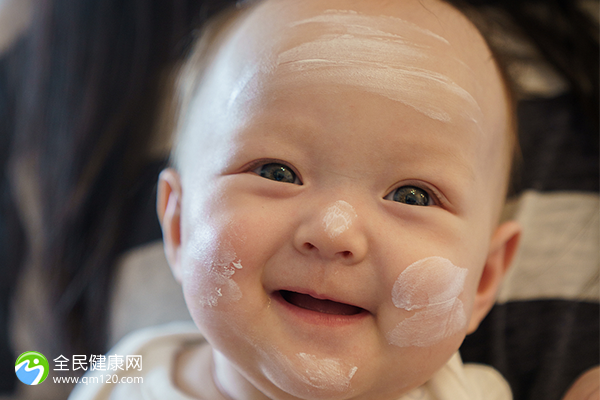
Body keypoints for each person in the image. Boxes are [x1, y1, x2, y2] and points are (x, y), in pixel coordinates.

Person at [69, 0, 523, 399]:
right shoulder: (123, 379)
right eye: (276, 173)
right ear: (179, 227)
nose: (334, 231)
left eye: (413, 196)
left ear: (483, 278)